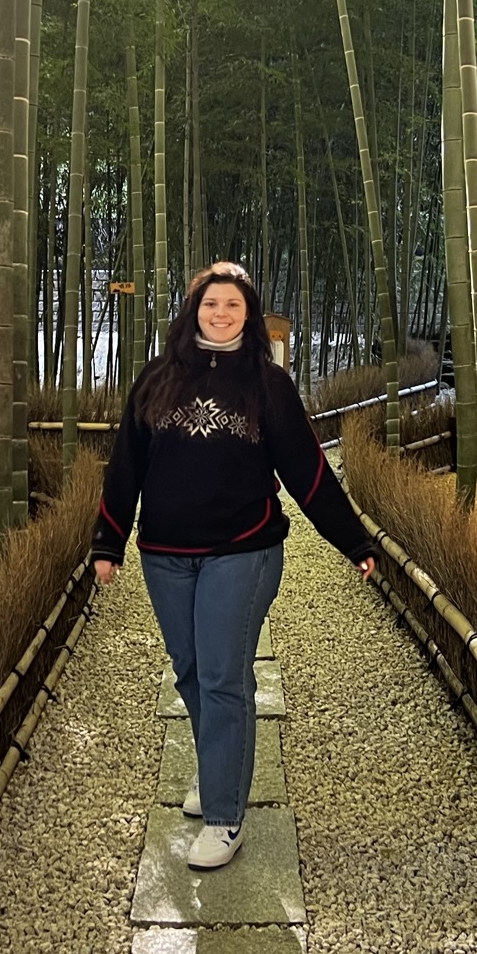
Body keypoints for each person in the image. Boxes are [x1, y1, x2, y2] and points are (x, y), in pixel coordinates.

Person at [92, 261, 377, 869]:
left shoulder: (266, 384)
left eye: (233, 306)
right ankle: (221, 770)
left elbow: (309, 472)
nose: (220, 315)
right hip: (165, 554)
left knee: (224, 675)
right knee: (192, 673)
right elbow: (125, 467)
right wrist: (107, 543)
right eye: (209, 304)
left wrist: (355, 542)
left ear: (249, 317)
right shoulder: (156, 379)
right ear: (192, 309)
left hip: (242, 550)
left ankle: (225, 816)